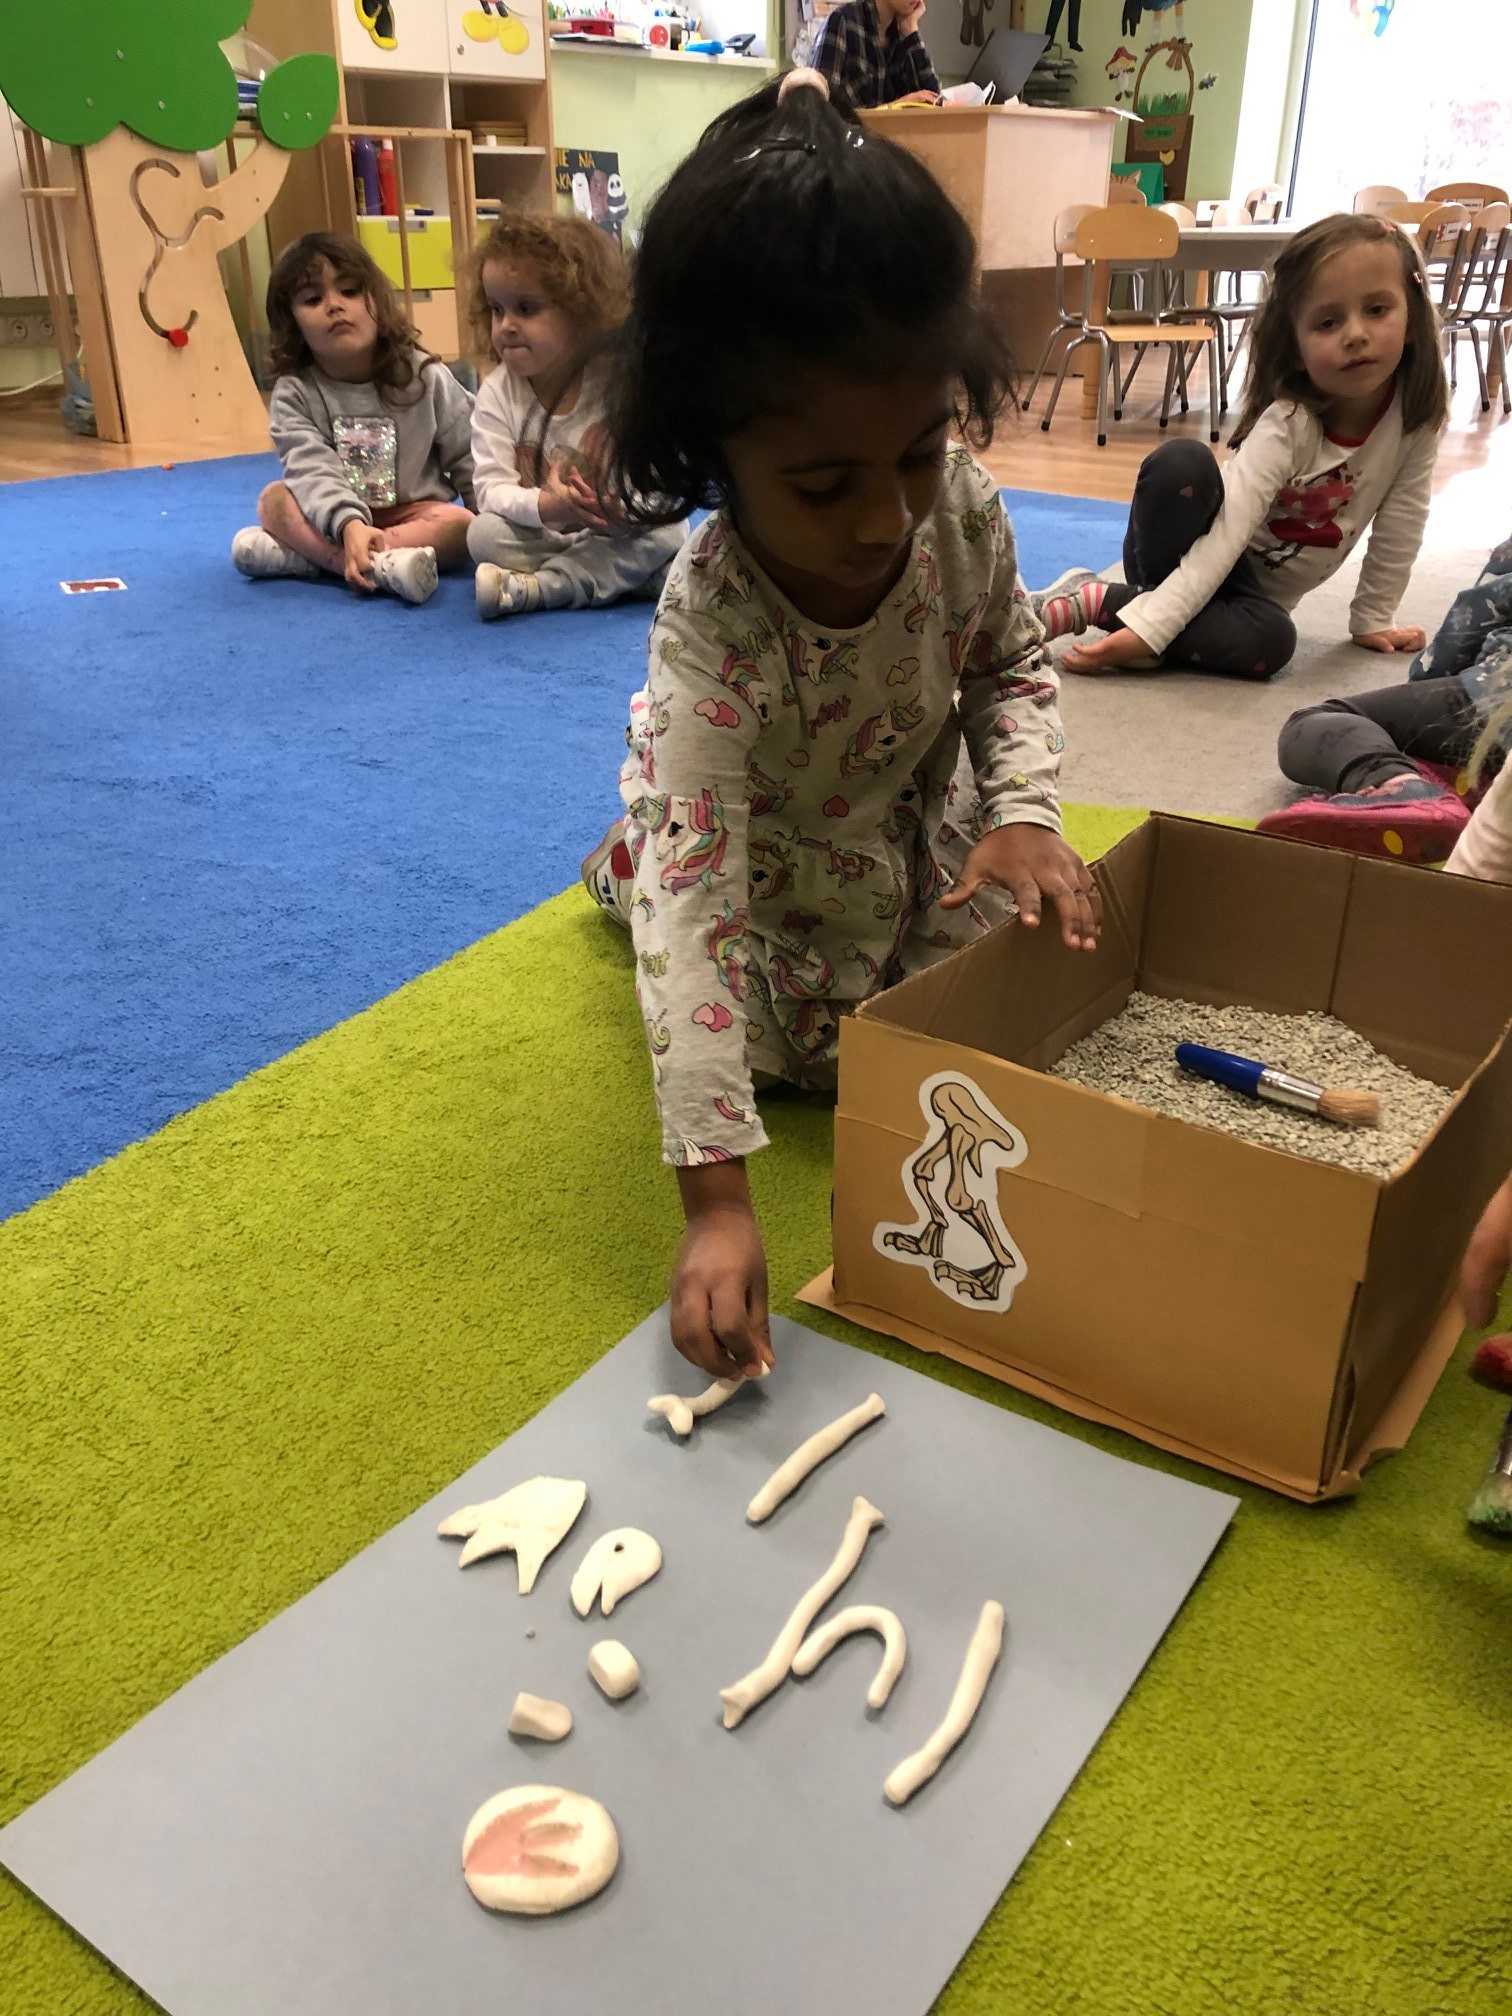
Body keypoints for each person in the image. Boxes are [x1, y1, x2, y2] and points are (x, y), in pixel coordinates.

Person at [579, 74, 1100, 1380]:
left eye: (918, 452)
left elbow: (1009, 662)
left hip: (905, 834)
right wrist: (717, 1206)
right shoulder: (711, 625)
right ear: (712, 457)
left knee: (1018, 973)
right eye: (822, 485)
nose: (887, 518)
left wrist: (1025, 813)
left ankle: (654, 842)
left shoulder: (960, 508)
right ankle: (624, 853)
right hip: (752, 867)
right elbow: (702, 916)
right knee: (744, 1010)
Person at [1033, 212, 1449, 681]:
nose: (1355, 334)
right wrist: (1152, 629)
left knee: (1273, 643)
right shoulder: (1289, 422)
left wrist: (1374, 617)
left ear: (1412, 319)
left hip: (1254, 602)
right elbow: (1225, 536)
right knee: (1181, 464)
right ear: (1294, 348)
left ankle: (1128, 611)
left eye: (1377, 310)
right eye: (1328, 322)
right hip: (1186, 547)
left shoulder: (1415, 421)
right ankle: (1097, 601)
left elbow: (1403, 521)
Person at [464, 212, 687, 620]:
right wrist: (546, 506)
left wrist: (624, 510)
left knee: (670, 527)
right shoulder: (496, 393)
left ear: (581, 313)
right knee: (483, 536)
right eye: (496, 309)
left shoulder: (616, 383)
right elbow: (490, 490)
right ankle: (625, 578)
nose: (506, 325)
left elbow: (655, 480)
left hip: (613, 530)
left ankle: (544, 587)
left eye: (526, 308)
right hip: (546, 533)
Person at [232, 233, 475, 606]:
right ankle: (367, 563)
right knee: (274, 501)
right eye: (313, 299)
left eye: (350, 291)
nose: (334, 305)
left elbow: (469, 451)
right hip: (330, 520)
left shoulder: (424, 375)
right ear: (292, 323)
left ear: (377, 301)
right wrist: (348, 524)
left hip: (411, 515)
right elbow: (310, 468)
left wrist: (494, 523)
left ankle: (310, 560)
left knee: (461, 526)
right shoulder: (295, 392)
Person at [1256, 536, 1512, 859]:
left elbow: (1473, 617)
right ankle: (1480, 781)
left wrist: (1423, 680)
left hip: (1500, 699)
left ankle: (1406, 789)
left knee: (1316, 723)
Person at [809, 0, 940, 110]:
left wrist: (911, 31)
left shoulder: (902, 33)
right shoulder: (842, 22)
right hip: (849, 134)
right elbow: (819, 111)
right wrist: (894, 107)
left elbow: (935, 102)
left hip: (894, 134)